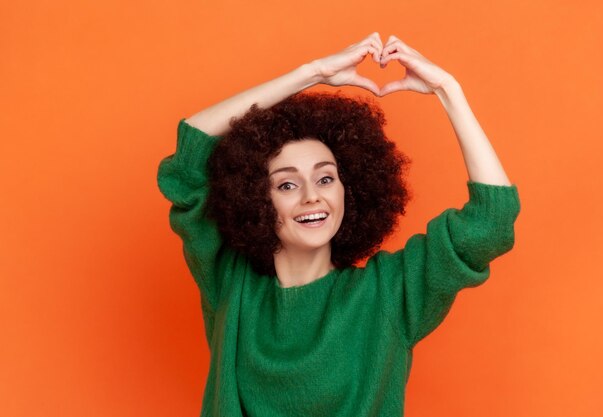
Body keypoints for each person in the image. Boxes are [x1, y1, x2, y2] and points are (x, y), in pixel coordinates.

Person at [157, 32, 521, 417]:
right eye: (286, 184)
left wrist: (449, 91)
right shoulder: (229, 281)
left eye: (326, 178)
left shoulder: (387, 295)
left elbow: (492, 222)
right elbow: (189, 155)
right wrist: (311, 73)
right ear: (257, 200)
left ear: (349, 190)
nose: (312, 196)